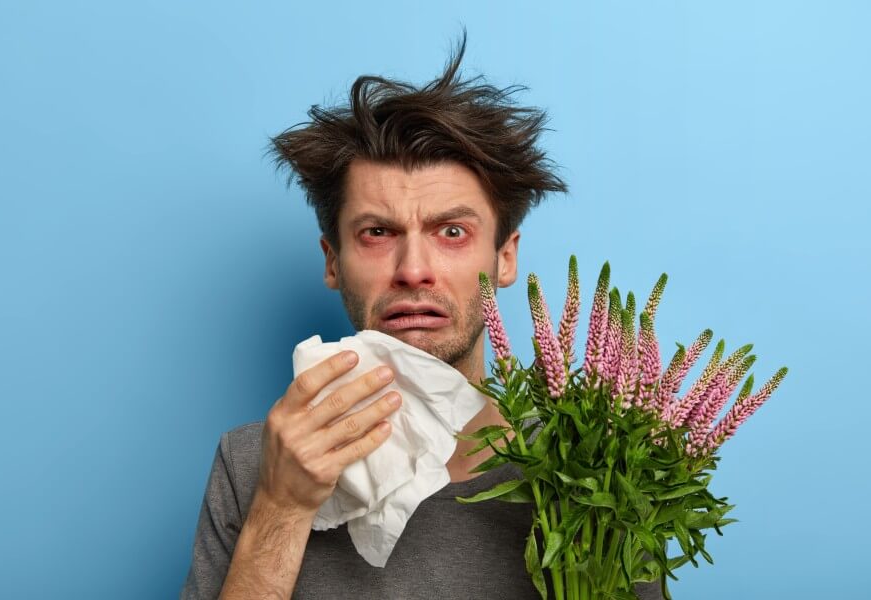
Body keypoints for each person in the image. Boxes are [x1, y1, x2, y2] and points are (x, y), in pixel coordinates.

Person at [180, 30, 663, 600]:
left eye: (452, 232)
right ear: (333, 261)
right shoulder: (252, 464)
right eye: (378, 232)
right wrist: (281, 508)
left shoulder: (598, 467)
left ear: (505, 258)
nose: (414, 270)